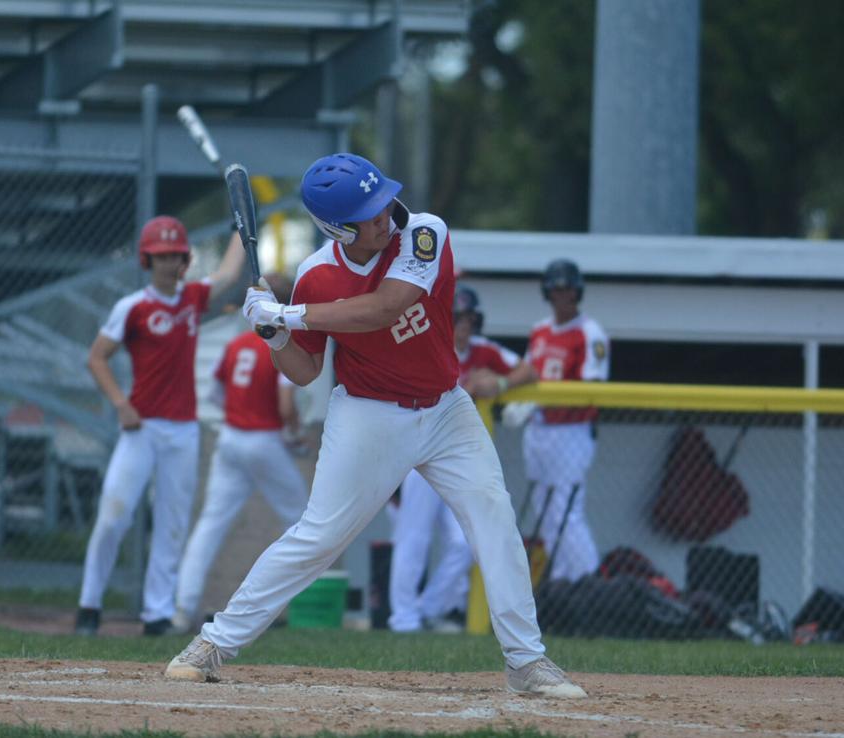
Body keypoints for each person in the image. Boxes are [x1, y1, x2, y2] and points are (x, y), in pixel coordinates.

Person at [164, 153, 586, 699]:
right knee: (318, 537)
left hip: (445, 409)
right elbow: (304, 370)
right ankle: (212, 644)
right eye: (368, 211)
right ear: (337, 227)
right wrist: (271, 333)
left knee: (494, 518)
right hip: (369, 413)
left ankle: (527, 661)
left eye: (381, 199)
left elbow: (385, 308)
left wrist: (289, 315)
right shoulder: (316, 276)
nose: (384, 213)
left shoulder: (424, 233)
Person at [76, 215, 245, 637]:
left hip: (183, 429)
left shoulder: (192, 297)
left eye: (176, 255)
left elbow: (227, 273)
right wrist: (120, 403)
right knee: (114, 515)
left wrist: (242, 228)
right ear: (147, 260)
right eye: (161, 256)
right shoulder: (132, 306)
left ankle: (156, 613)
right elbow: (97, 356)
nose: (169, 263)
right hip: (142, 428)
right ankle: (89, 605)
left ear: (185, 259)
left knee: (172, 521)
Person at [171, 272, 310, 633]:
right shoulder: (281, 345)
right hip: (263, 440)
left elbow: (216, 395)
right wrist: (294, 432)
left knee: (211, 524)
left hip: (230, 438)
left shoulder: (236, 344)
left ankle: (183, 609)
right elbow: (285, 405)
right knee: (303, 521)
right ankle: (296, 606)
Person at [388, 285, 521, 634]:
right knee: (412, 538)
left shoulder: (484, 351)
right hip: (418, 452)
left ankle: (429, 608)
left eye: (470, 318)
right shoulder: (430, 343)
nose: (464, 325)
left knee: (464, 542)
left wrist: (500, 383)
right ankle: (403, 619)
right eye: (458, 317)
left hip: (456, 459)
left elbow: (528, 369)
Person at [499, 259, 609, 582]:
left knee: (567, 512)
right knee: (545, 513)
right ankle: (563, 580)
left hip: (571, 432)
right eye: (557, 289)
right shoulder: (540, 331)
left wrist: (541, 402)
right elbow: (530, 372)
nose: (563, 296)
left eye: (569, 290)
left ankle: (589, 583)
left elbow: (592, 390)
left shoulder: (591, 333)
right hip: (539, 430)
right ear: (547, 292)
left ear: (578, 293)